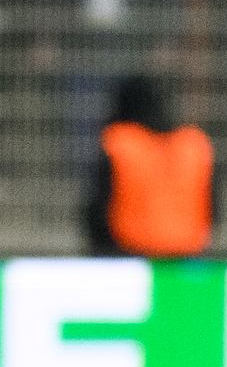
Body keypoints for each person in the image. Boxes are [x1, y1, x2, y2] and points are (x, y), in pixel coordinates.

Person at [84, 74, 214, 257]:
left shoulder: (118, 142)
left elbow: (97, 211)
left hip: (127, 254)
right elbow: (214, 207)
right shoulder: (195, 144)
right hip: (188, 254)